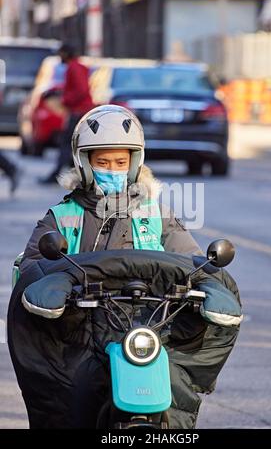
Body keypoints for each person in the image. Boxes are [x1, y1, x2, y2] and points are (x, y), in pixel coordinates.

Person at [10, 105, 242, 429]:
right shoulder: (61, 216)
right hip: (81, 334)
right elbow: (33, 264)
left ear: (134, 163)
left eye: (120, 162)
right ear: (84, 163)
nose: (112, 169)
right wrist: (52, 281)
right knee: (67, 403)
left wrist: (209, 284)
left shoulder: (156, 213)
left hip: (150, 326)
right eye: (102, 162)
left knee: (176, 397)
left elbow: (190, 260)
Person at [39, 43, 94, 184]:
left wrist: (65, 100)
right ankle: (78, 175)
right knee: (76, 144)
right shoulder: (78, 66)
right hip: (82, 110)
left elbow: (81, 90)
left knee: (66, 143)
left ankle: (57, 174)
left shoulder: (73, 68)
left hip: (78, 111)